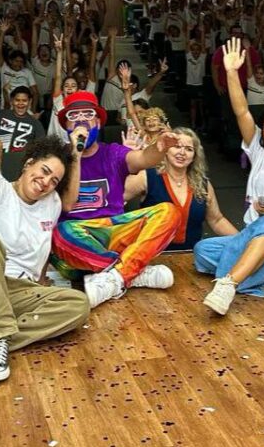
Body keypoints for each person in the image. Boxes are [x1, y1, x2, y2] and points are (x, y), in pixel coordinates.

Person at [0, 80, 89, 384]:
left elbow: (69, 201)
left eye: (53, 180)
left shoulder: (50, 203)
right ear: (28, 164)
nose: (46, 182)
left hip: (18, 294)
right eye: (44, 171)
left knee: (78, 306)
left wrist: (74, 154)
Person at [192, 39, 264, 316]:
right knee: (202, 251)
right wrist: (232, 72)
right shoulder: (259, 153)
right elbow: (242, 111)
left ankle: (228, 284)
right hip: (250, 234)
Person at [50, 91, 183, 309]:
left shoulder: (112, 153)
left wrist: (158, 149)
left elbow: (141, 158)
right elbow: (67, 205)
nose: (81, 120)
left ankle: (116, 277)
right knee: (60, 234)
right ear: (66, 125)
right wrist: (75, 154)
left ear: (99, 122)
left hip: (114, 231)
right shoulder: (57, 159)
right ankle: (134, 272)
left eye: (88, 114)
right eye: (74, 116)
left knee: (169, 212)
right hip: (76, 243)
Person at [0, 86, 45, 153]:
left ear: (30, 102)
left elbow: (42, 148)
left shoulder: (36, 123)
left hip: (22, 161)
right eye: (17, 100)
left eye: (24, 100)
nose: (20, 104)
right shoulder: (0, 115)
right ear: (11, 101)